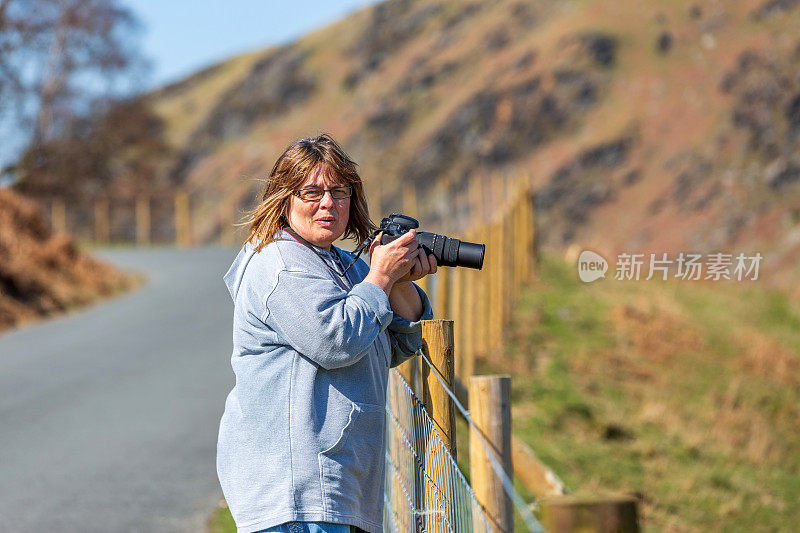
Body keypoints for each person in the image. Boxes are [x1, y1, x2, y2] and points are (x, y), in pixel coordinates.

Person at [217, 134, 436, 533]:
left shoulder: (342, 264)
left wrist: (399, 283)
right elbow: (336, 341)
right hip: (297, 492)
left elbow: (394, 346)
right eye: (311, 192)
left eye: (339, 191)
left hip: (336, 484)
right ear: (284, 198)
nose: (327, 204)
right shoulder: (280, 263)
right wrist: (381, 276)